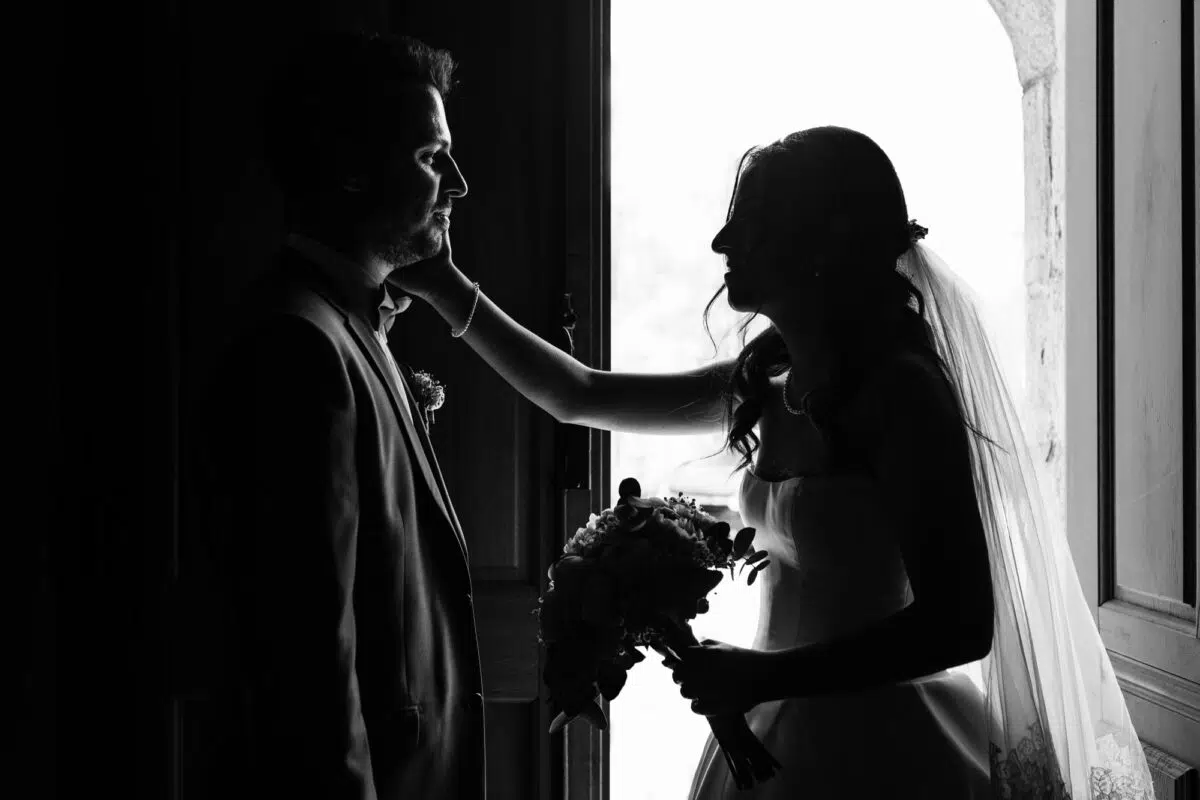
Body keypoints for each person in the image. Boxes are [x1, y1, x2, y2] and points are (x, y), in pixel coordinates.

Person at [392, 125, 1155, 798]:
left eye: (747, 224)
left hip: (884, 748)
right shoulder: (769, 378)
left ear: (818, 242)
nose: (722, 244)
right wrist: (442, 286)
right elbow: (578, 393)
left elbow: (960, 627)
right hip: (779, 732)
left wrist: (767, 677)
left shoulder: (903, 397)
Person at [203, 30, 483, 799]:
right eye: (433, 158)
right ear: (353, 173)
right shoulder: (298, 345)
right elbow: (304, 654)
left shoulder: (351, 327)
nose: (458, 183)